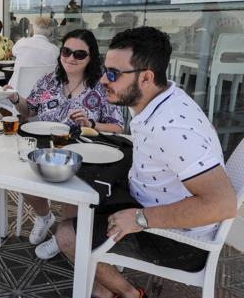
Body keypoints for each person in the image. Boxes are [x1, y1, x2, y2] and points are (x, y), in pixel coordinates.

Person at [48, 27, 237, 298]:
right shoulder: (161, 98)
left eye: (113, 74)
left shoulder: (172, 128)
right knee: (76, 192)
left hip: (180, 240)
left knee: (66, 234)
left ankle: (128, 293)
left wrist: (140, 218)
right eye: (105, 69)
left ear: (146, 77)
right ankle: (100, 280)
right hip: (150, 202)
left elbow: (223, 204)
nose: (103, 79)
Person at [7, 29, 123, 256]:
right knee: (21, 178)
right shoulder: (48, 80)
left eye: (79, 54)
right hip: (45, 148)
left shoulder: (101, 86)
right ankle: (44, 217)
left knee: (73, 192)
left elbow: (117, 126)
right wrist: (15, 97)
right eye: (66, 51)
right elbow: (29, 109)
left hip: (83, 151)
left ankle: (62, 237)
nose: (71, 58)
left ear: (91, 58)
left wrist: (91, 123)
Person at [8, 17, 58, 89]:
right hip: (42, 94)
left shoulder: (21, 43)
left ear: (33, 29)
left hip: (16, 92)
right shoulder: (55, 50)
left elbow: (13, 53)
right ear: (50, 32)